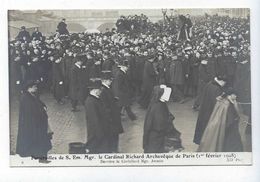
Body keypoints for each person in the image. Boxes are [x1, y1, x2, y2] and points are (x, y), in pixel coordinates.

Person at [16, 80, 53, 163]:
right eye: (34, 87)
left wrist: (43, 107)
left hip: (38, 124)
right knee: (38, 141)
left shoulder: (31, 95)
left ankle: (41, 157)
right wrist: (42, 110)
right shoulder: (25, 98)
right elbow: (31, 111)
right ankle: (41, 158)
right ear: (29, 88)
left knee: (41, 141)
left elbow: (39, 104)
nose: (36, 88)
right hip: (33, 125)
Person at [143, 85, 178, 153]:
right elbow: (160, 125)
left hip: (157, 137)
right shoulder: (158, 107)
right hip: (156, 139)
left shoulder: (159, 103)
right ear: (161, 94)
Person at [193, 76, 227, 145]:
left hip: (204, 110)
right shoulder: (217, 89)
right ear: (221, 81)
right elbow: (217, 104)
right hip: (211, 113)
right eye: (225, 82)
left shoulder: (209, 84)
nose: (224, 84)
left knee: (202, 127)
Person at [100, 71, 123, 153]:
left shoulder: (107, 88)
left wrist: (114, 99)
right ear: (105, 80)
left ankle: (114, 149)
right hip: (111, 118)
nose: (111, 81)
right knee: (112, 135)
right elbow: (105, 106)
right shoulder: (103, 90)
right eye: (110, 80)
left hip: (113, 116)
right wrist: (110, 116)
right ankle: (112, 150)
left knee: (114, 134)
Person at [85, 78, 109, 153]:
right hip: (96, 134)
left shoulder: (95, 99)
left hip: (100, 132)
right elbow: (95, 120)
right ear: (95, 90)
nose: (101, 91)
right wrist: (100, 134)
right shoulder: (90, 102)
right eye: (100, 90)